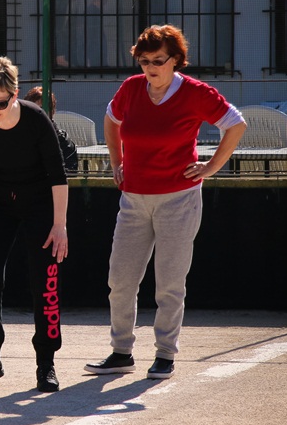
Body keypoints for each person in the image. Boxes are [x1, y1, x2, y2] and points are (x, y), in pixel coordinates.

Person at [85, 24, 246, 380]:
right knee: (120, 279)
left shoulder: (195, 93)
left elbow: (236, 124)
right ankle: (121, 351)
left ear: (176, 60)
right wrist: (116, 162)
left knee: (170, 282)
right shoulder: (130, 89)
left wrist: (211, 167)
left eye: (158, 60)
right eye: (144, 61)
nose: (150, 68)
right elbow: (111, 121)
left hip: (179, 198)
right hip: (134, 198)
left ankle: (165, 354)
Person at [0, 57, 69, 393]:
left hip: (40, 205)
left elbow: (57, 175)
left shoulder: (36, 120)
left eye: (0, 102)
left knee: (44, 283)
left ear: (15, 93)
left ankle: (46, 363)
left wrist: (60, 226)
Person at [24, 85, 78, 173]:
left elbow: (70, 174)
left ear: (52, 111)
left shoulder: (63, 142)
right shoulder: (18, 136)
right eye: (30, 109)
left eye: (40, 109)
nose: (35, 113)